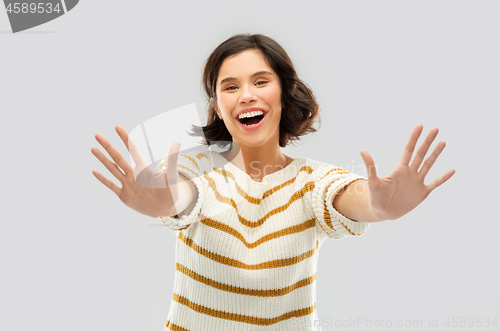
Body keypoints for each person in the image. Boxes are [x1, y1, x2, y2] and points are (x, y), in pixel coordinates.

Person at [91, 33, 455, 331]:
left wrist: (379, 205)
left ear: (283, 92)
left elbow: (347, 196)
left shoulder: (312, 181)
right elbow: (181, 194)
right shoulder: (198, 169)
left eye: (260, 81)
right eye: (230, 87)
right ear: (218, 106)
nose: (246, 94)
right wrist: (160, 200)